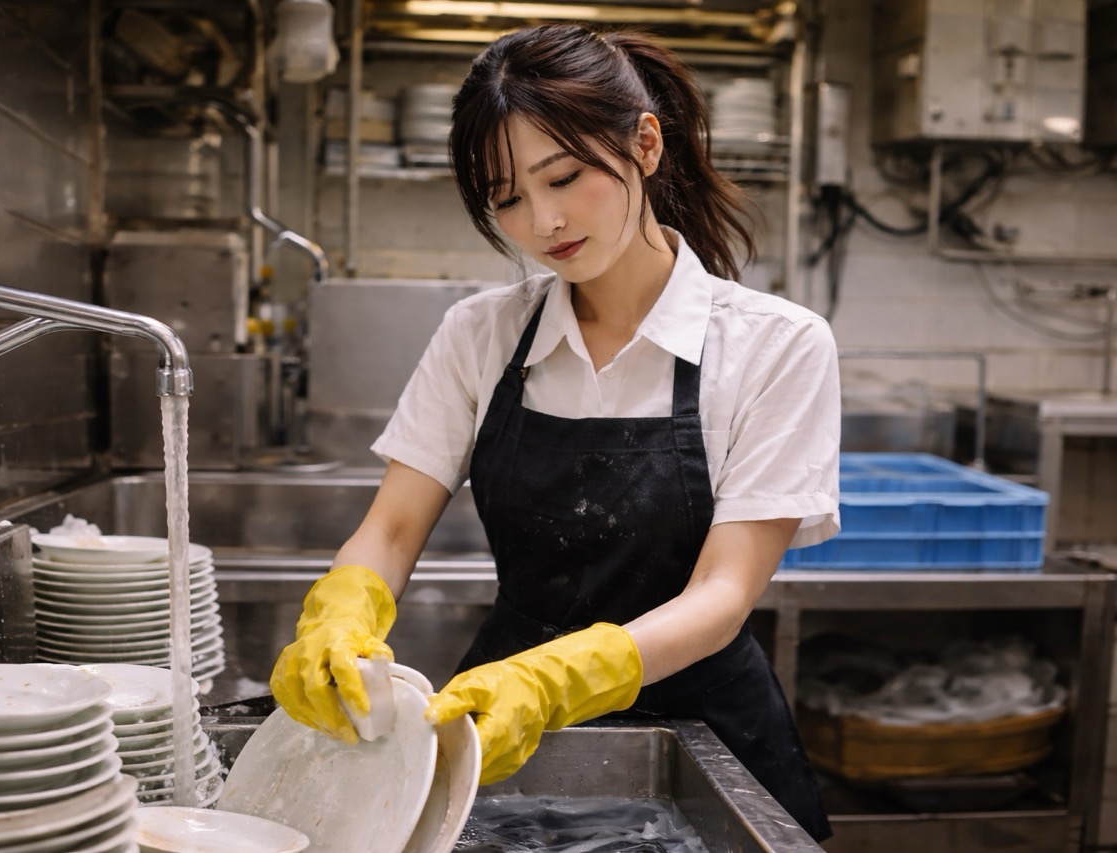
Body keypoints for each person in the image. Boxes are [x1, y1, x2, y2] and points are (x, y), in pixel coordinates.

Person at [269, 22, 840, 841]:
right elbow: (391, 527)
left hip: (704, 730)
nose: (542, 222)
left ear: (646, 143)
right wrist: (338, 616)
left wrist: (555, 681)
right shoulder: (481, 332)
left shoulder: (776, 344)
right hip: (496, 730)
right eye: (505, 197)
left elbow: (722, 594)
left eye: (564, 177)